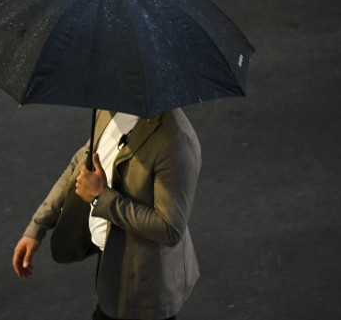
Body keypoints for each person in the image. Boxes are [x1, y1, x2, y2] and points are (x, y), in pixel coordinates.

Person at [12, 108, 202, 320]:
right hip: (112, 260)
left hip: (145, 286)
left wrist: (101, 197)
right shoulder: (109, 108)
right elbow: (82, 162)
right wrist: (37, 227)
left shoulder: (175, 140)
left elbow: (170, 227)